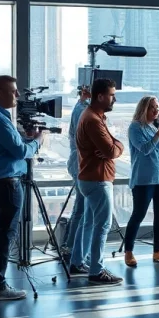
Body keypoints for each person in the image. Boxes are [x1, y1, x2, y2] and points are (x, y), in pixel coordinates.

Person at [0, 75, 45, 301]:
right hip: (7, 184)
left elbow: (9, 146)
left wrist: (24, 139)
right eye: (13, 91)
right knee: (5, 235)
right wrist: (36, 142)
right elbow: (19, 152)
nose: (17, 95)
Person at [76, 78, 125, 285]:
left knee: (88, 223)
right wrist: (118, 145)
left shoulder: (93, 116)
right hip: (98, 178)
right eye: (112, 95)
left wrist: (114, 144)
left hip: (89, 177)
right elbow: (111, 151)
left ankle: (77, 262)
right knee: (102, 225)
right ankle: (96, 270)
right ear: (100, 96)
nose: (114, 99)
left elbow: (111, 146)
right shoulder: (94, 120)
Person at [124, 95, 159, 267]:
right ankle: (129, 251)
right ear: (144, 109)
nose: (156, 111)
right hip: (144, 179)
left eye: (157, 107)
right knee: (139, 214)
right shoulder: (135, 127)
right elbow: (145, 149)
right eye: (152, 107)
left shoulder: (156, 127)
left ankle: (158, 250)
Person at [63, 85, 91, 274]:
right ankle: (75, 251)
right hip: (81, 164)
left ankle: (70, 247)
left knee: (79, 209)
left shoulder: (79, 108)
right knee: (82, 211)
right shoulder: (82, 110)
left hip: (79, 163)